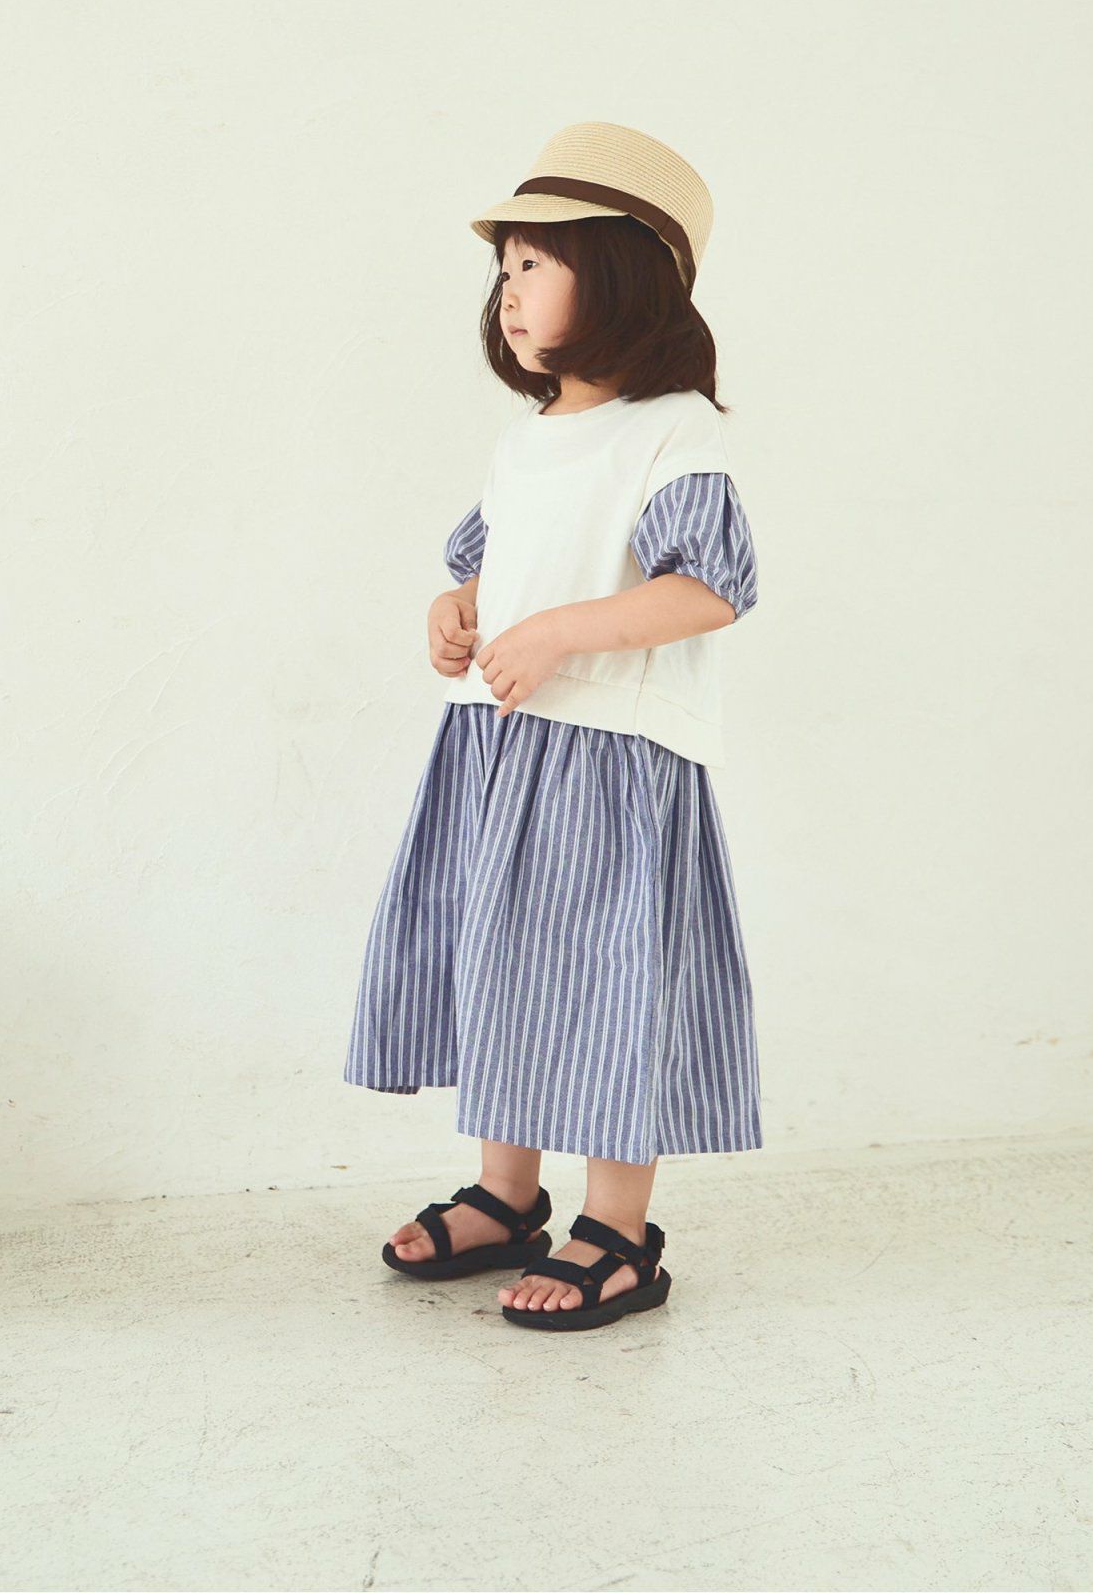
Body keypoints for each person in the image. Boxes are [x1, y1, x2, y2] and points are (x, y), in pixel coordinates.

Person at [342, 120, 763, 1334]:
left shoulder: (672, 427)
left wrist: (561, 633)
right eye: (504, 268)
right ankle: (506, 1194)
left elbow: (711, 585)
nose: (509, 288)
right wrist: (461, 610)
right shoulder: (525, 441)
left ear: (619, 275)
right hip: (496, 746)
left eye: (533, 262)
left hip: (609, 758)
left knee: (604, 981)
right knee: (503, 964)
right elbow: (499, 563)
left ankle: (619, 1233)